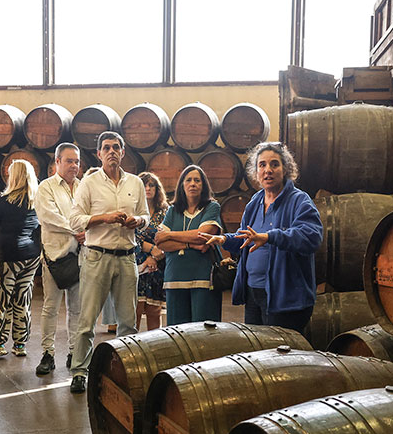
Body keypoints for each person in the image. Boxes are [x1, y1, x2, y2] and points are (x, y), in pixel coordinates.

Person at [200, 142, 322, 332]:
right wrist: (225, 239)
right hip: (253, 292)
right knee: (257, 348)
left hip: (284, 297)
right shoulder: (255, 202)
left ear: (285, 169)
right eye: (262, 165)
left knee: (278, 349)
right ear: (256, 172)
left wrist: (270, 237)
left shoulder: (299, 200)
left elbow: (311, 236)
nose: (268, 170)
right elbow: (248, 237)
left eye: (275, 164)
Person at [68, 131, 148, 393]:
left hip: (127, 258)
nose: (111, 151)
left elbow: (146, 215)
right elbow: (75, 220)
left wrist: (139, 221)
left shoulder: (135, 182)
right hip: (97, 257)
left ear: (123, 152)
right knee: (87, 321)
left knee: (128, 323)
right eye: (106, 148)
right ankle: (80, 371)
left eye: (116, 147)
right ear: (99, 154)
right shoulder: (89, 183)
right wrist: (104, 218)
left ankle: (123, 372)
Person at [0, 159, 41, 359]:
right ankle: (20, 344)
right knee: (23, 299)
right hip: (31, 256)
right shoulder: (36, 199)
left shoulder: (4, 201)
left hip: (7, 256)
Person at [35, 143, 84, 375]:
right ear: (57, 162)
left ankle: (74, 352)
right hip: (55, 257)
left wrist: (85, 229)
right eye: (69, 161)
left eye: (77, 161)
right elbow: (48, 217)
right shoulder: (46, 187)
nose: (74, 165)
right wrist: (77, 229)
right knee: (50, 307)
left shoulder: (83, 187)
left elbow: (90, 215)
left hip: (81, 256)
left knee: (77, 309)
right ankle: (48, 353)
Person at [154, 165, 224, 324]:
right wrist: (189, 245)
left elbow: (202, 236)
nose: (193, 184)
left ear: (203, 185)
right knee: (177, 331)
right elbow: (160, 243)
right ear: (182, 185)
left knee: (204, 330)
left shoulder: (212, 207)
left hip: (203, 278)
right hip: (175, 277)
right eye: (188, 180)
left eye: (197, 180)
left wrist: (170, 235)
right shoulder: (172, 211)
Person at [134, 172, 168, 330]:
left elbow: (170, 235)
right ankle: (130, 345)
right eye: (144, 185)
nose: (147, 188)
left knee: (154, 311)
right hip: (137, 264)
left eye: (151, 185)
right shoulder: (133, 210)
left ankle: (155, 344)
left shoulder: (165, 212)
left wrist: (156, 256)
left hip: (158, 265)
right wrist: (150, 249)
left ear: (157, 189)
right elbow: (128, 237)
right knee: (135, 309)